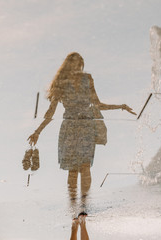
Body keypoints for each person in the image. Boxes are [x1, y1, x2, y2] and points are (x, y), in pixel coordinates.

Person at [27, 52, 136, 209]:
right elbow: (50, 113)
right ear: (68, 65)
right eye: (75, 63)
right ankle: (73, 207)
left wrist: (121, 106)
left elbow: (97, 104)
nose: (78, 67)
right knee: (72, 169)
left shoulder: (87, 79)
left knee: (85, 166)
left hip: (86, 126)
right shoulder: (61, 83)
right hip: (70, 128)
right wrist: (38, 131)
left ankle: (83, 206)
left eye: (80, 64)